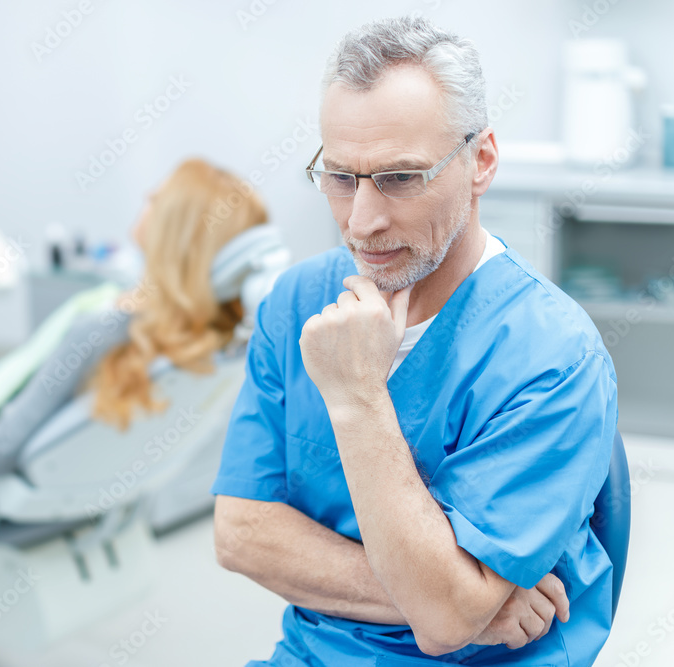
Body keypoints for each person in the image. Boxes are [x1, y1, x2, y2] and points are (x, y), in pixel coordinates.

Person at [211, 15, 617, 666]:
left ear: (481, 160)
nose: (361, 221)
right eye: (340, 176)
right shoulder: (296, 302)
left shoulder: (553, 356)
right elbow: (241, 531)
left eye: (401, 178)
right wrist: (459, 600)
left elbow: (444, 624)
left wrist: (357, 398)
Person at [0, 158, 269, 475]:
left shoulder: (104, 330)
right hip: (0, 387)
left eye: (155, 199)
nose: (144, 198)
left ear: (172, 233)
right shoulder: (196, 333)